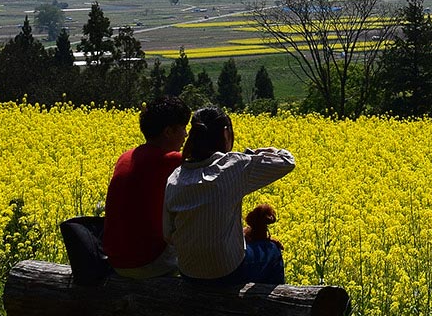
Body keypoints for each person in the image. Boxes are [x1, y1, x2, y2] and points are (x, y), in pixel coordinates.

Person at [163, 106, 295, 285]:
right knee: (272, 251)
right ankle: (272, 308)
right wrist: (257, 152)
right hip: (227, 271)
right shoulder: (234, 166)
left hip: (188, 272)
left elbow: (168, 235)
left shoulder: (175, 177)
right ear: (226, 133)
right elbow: (287, 161)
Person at [102, 96, 191, 279]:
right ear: (169, 131)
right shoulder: (172, 161)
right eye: (183, 128)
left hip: (116, 260)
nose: (186, 134)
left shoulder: (125, 157)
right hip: (147, 262)